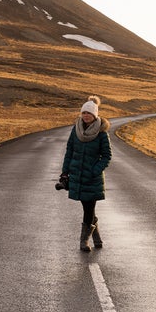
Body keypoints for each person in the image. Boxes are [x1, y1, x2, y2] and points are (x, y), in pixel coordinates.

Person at [60, 95, 112, 251]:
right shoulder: (75, 130)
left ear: (95, 115)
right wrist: (65, 173)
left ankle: (84, 241)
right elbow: (69, 151)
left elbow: (107, 156)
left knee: (89, 208)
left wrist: (94, 171)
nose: (86, 116)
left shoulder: (102, 133)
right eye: (84, 113)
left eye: (89, 113)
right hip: (77, 175)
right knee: (88, 208)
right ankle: (97, 238)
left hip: (92, 178)